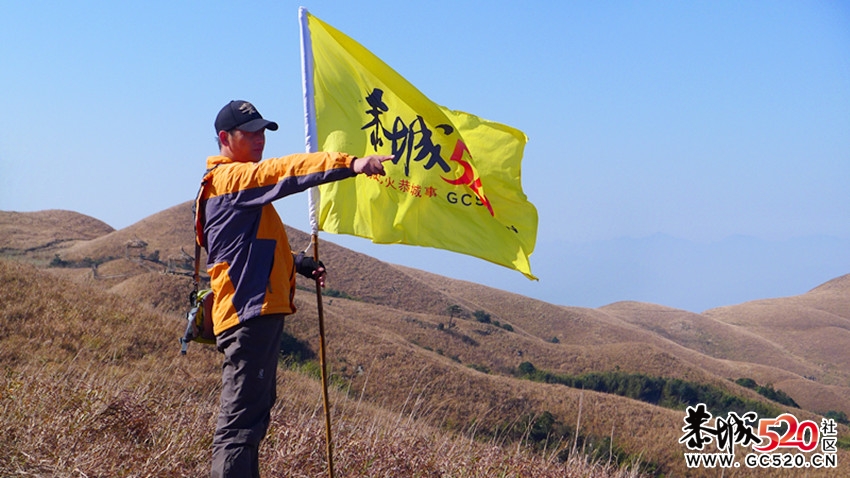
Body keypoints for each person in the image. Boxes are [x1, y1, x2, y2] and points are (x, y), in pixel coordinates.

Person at [197, 100, 392, 478]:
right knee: (240, 425)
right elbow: (286, 171)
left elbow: (248, 247)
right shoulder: (233, 179)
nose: (259, 141)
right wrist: (350, 164)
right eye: (249, 133)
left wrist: (298, 264)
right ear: (225, 138)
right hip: (248, 315)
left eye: (262, 133)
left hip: (252, 313)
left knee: (251, 417)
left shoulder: (231, 187)